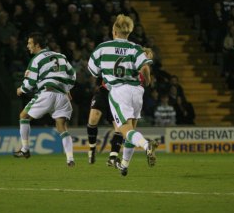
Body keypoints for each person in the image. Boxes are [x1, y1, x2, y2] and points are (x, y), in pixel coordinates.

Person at [87, 14, 158, 176]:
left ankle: (147, 145)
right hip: (137, 91)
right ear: (128, 32)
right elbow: (145, 68)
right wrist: (147, 81)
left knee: (125, 130)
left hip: (119, 91)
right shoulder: (135, 48)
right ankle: (124, 165)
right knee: (132, 130)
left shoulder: (103, 48)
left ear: (114, 31)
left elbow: (93, 70)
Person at [13, 33, 76, 167]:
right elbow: (72, 75)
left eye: (30, 43)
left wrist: (21, 89)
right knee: (62, 127)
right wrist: (67, 88)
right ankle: (70, 159)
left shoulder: (37, 59)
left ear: (37, 45)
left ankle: (25, 149)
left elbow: (30, 82)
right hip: (63, 96)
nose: (28, 46)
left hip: (47, 93)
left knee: (23, 116)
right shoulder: (61, 56)